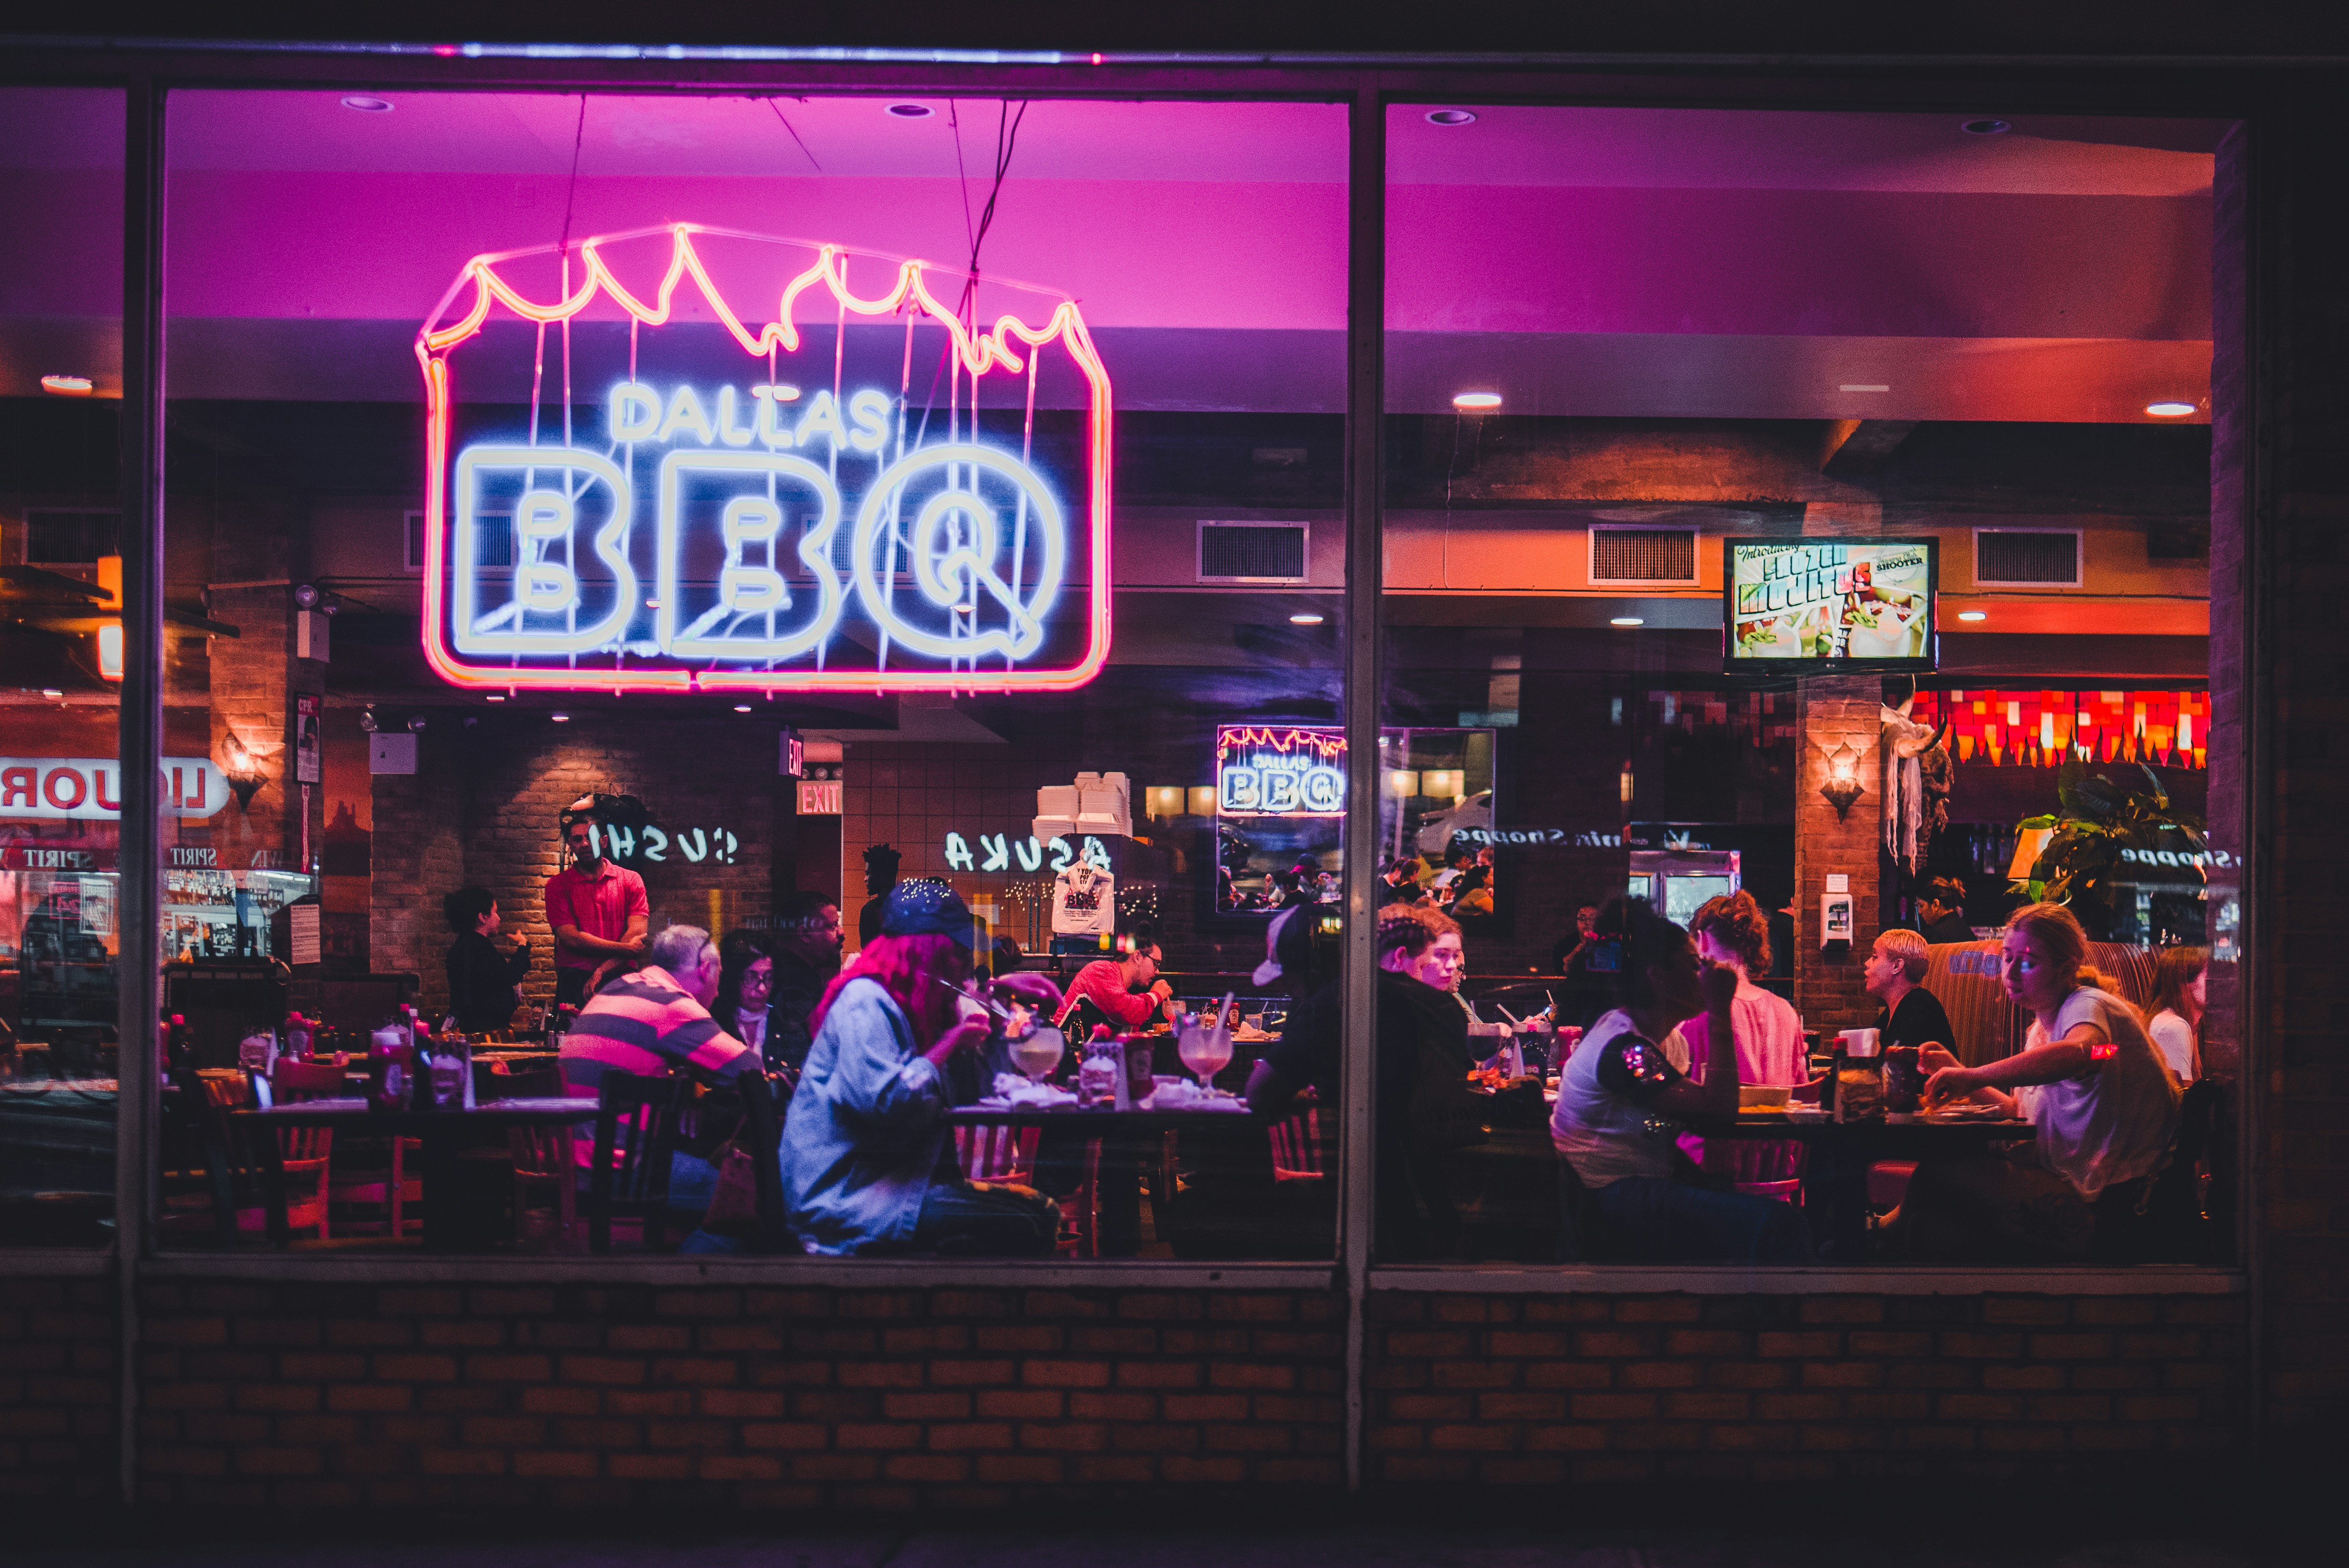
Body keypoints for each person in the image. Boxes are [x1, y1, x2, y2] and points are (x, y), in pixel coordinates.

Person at [779, 879, 1064, 1257]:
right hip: (848, 1199)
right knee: (1024, 1223)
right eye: (958, 950)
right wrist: (947, 1045)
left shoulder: (922, 1008)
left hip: (897, 1185)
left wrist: (999, 1012)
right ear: (929, 952)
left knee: (1040, 1210)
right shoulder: (865, 1002)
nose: (966, 961)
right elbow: (883, 1105)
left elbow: (981, 1090)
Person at [1894, 902, 2181, 1262]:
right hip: (2077, 1196)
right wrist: (1960, 1069)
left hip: (2119, 1208)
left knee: (1935, 1175)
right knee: (1933, 1231)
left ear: (2067, 966)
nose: (2011, 971)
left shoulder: (2087, 1006)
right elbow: (2018, 1110)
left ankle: (1869, 1239)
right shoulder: (2042, 1030)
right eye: (2007, 958)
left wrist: (1974, 1076)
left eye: (2028, 961)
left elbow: (2087, 1052)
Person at [1549, 895, 1813, 1263]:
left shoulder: (1669, 1041)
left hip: (1641, 1185)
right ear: (1658, 977)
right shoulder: (1624, 1049)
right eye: (1694, 964)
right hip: (1604, 1200)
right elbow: (1719, 1110)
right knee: (1779, 1226)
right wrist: (1721, 1011)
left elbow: (1680, 1122)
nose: (1707, 968)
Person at [557, 923, 758, 1236]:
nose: (719, 991)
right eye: (719, 977)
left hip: (568, 1166)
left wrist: (688, 1075)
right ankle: (696, 1278)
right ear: (706, 969)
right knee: (752, 1193)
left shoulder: (616, 989)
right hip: (618, 1173)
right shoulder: (671, 1003)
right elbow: (750, 1070)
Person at [1680, 890, 1805, 1088]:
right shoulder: (1786, 1013)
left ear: (1702, 940)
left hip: (1713, 1119)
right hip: (1777, 1119)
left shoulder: (1692, 1013)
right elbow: (1801, 1093)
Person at [545, 812, 649, 1009]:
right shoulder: (557, 885)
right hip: (574, 977)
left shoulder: (631, 880)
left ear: (604, 841)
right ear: (571, 844)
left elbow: (636, 934)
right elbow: (570, 938)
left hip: (620, 974)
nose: (585, 844)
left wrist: (601, 970)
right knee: (571, 1038)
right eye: (577, 839)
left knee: (622, 1038)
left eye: (591, 837)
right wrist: (625, 948)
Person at [764, 892, 846, 1072]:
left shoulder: (786, 970)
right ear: (804, 933)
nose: (842, 933)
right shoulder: (799, 984)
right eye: (832, 926)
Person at [441, 884, 531, 1035]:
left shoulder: (467, 945)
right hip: (483, 1032)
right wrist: (523, 946)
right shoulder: (477, 949)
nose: (499, 918)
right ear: (482, 917)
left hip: (479, 1027)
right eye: (495, 912)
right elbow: (510, 976)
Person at [1053, 930, 1175, 1038]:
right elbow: (1124, 1011)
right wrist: (1156, 995)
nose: (1157, 971)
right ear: (1138, 956)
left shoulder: (1119, 984)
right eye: (1156, 964)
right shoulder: (1100, 970)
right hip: (1064, 1051)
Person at [1865, 927, 1956, 1056]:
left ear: (1897, 966)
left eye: (1875, 957)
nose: (1867, 963)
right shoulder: (1890, 1014)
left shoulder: (1919, 1006)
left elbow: (1894, 1069)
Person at [2146, 944, 2207, 1085]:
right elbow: (2183, 1102)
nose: (2216, 982)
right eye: (2208, 975)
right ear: (2185, 983)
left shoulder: (2185, 1024)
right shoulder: (2174, 1027)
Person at [855, 844, 902, 948]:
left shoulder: (870, 909)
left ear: (880, 875)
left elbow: (869, 953)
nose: (865, 879)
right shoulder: (906, 905)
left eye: (868, 873)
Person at [1915, 877, 1976, 945]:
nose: (1920, 912)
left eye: (1921, 905)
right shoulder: (1966, 930)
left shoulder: (1935, 936)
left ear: (1935, 904)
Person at [1551, 902, 1600, 975]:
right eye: (1582, 919)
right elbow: (1560, 971)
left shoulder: (1608, 942)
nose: (1587, 922)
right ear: (1577, 922)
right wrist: (1579, 948)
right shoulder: (1564, 945)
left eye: (1593, 918)